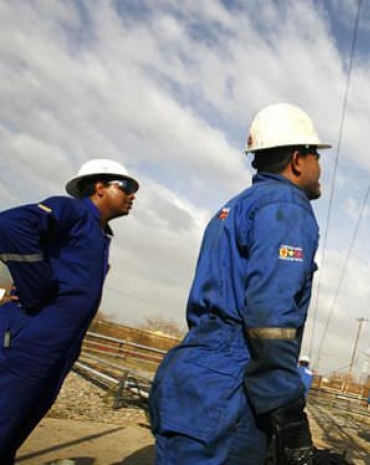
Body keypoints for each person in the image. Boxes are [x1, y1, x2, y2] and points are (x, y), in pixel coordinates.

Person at [149, 103, 332, 464]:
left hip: (191, 373)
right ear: (298, 160)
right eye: (316, 155)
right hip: (232, 385)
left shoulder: (234, 207)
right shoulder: (287, 207)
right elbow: (270, 317)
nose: (320, 166)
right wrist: (286, 408)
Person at [0, 159, 139, 463]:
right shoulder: (72, 210)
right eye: (126, 186)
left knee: (15, 429)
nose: (132, 195)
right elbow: (10, 224)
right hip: (30, 341)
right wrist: (35, 283)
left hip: (57, 349)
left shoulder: (99, 234)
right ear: (99, 187)